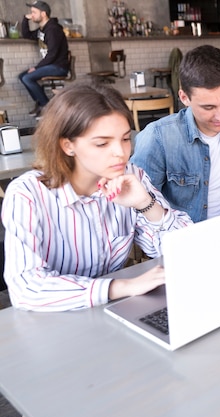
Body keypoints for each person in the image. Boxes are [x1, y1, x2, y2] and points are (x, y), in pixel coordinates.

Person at [1, 83, 193, 312]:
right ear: (67, 145)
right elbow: (26, 288)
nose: (120, 153)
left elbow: (186, 250)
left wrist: (145, 204)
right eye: (102, 143)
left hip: (114, 313)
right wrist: (119, 287)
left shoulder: (131, 176)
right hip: (53, 320)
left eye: (124, 139)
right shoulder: (27, 194)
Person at [131, 45, 220, 223]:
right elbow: (140, 206)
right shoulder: (158, 138)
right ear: (184, 98)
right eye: (209, 107)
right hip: (180, 237)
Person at [18, 1, 69, 117]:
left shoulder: (53, 29)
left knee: (27, 78)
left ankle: (46, 106)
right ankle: (40, 103)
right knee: (22, 77)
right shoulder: (42, 29)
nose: (32, 15)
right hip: (50, 65)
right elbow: (27, 35)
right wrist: (25, 19)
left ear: (43, 14)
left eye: (34, 12)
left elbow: (53, 54)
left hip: (58, 66)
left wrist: (36, 68)